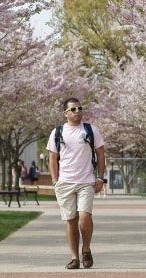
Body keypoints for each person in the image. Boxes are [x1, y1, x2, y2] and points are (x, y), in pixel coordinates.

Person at [46, 97, 106, 270]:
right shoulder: (57, 132)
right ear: (65, 113)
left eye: (80, 108)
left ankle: (86, 249)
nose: (77, 111)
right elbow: (53, 157)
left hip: (86, 181)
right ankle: (74, 258)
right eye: (73, 109)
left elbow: (101, 154)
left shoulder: (91, 130)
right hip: (65, 183)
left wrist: (100, 178)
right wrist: (55, 180)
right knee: (71, 220)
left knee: (85, 216)